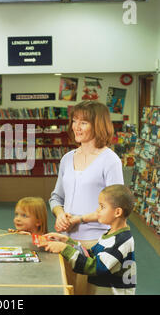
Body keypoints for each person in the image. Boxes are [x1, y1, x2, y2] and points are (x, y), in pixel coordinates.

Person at [49, 100, 124, 294]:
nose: (76, 127)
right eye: (74, 121)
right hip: (65, 241)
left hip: (95, 244)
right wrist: (60, 214)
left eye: (83, 122)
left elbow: (117, 209)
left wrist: (80, 218)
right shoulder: (67, 158)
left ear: (98, 125)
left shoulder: (110, 161)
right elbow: (56, 197)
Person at [39, 184, 136, 295]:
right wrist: (67, 241)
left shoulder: (122, 241)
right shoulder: (110, 234)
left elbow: (95, 267)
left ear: (117, 212)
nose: (97, 210)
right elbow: (90, 254)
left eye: (102, 207)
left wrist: (64, 248)